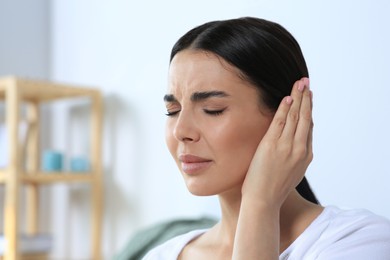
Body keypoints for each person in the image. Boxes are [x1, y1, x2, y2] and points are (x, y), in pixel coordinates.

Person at [143, 17, 390, 259]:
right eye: (173, 111)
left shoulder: (357, 241)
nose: (181, 131)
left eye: (213, 109)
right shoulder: (162, 254)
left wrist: (259, 203)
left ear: (288, 115)